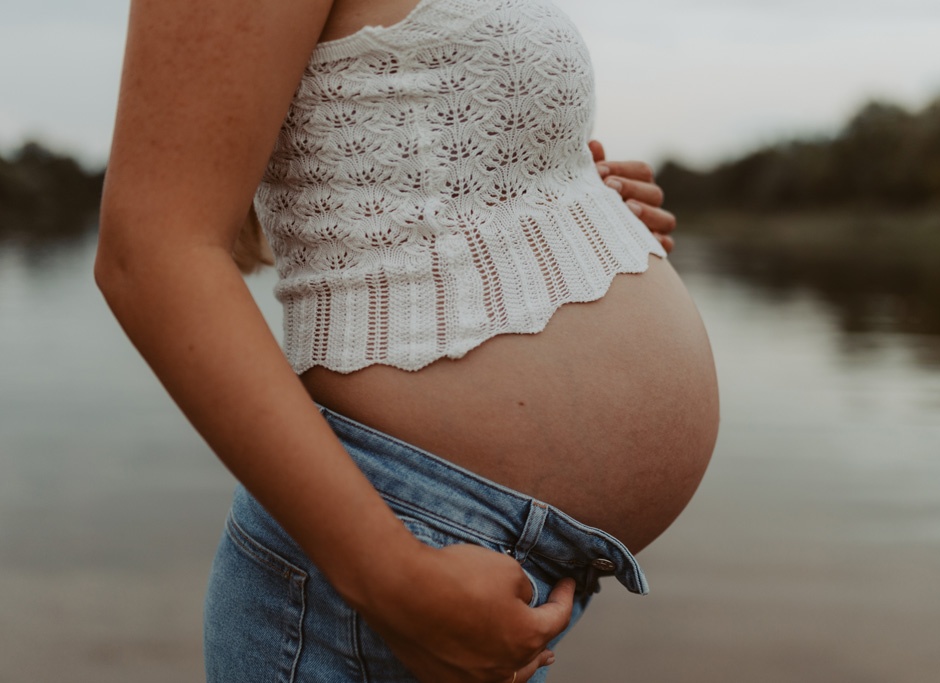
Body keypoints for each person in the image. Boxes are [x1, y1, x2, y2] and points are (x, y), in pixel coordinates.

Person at [94, 0, 719, 681]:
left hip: (456, 576)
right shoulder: (396, 581)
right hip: (379, 587)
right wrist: (395, 578)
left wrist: (567, 211)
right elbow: (150, 252)